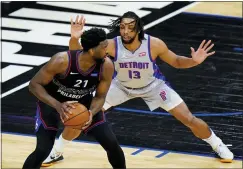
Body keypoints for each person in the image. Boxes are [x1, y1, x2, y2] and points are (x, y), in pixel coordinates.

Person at [42, 12, 234, 167]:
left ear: (138, 29)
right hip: (120, 86)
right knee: (82, 116)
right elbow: (79, 55)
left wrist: (194, 61)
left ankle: (217, 144)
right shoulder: (110, 45)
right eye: (122, 27)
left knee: (189, 119)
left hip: (153, 86)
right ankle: (57, 151)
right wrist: (74, 38)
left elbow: (176, 61)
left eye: (130, 27)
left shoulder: (154, 44)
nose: (125, 31)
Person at [22, 25, 126, 169]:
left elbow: (100, 96)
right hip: (52, 104)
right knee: (42, 150)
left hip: (84, 104)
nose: (106, 51)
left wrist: (91, 113)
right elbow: (34, 85)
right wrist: (58, 106)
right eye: (103, 47)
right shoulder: (61, 61)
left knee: (111, 143)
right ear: (91, 50)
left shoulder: (106, 66)